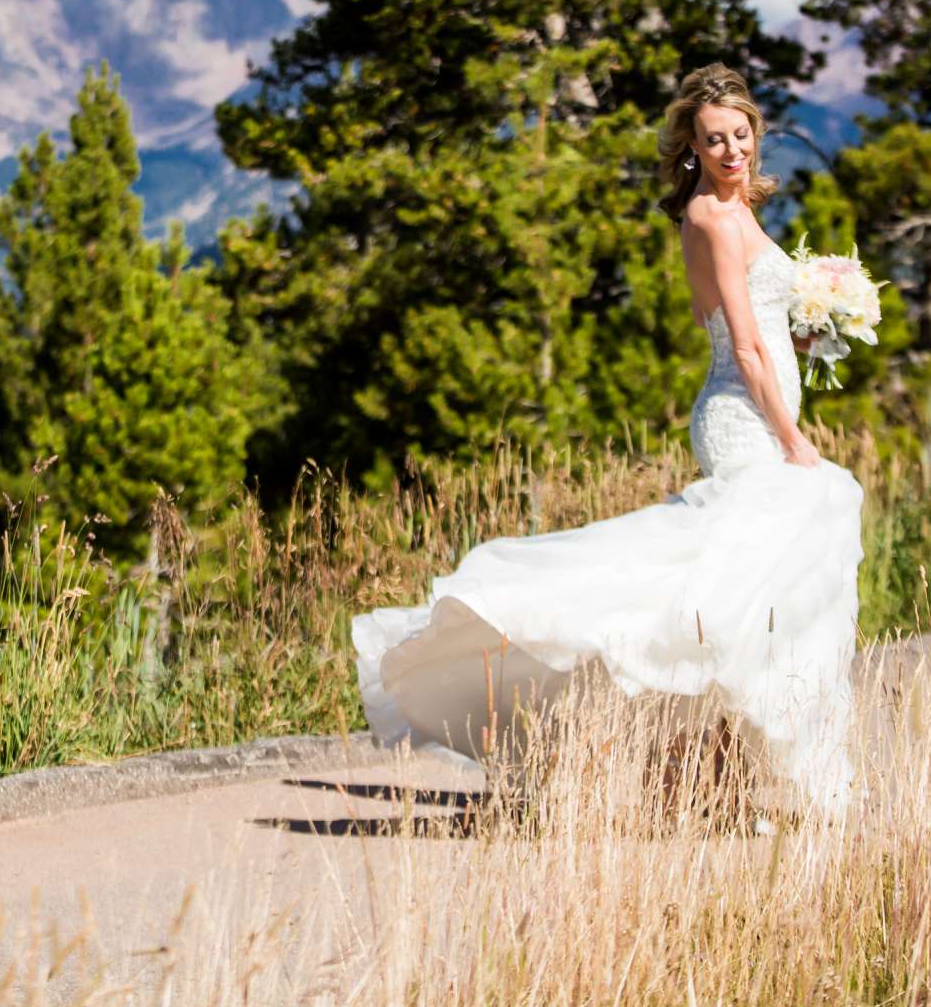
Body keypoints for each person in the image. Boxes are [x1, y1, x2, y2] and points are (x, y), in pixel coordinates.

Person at [350, 63, 863, 819]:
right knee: (735, 577)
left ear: (756, 134)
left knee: (768, 588)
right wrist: (794, 438)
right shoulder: (709, 219)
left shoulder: (742, 209)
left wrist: (815, 324)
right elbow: (744, 348)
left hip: (765, 408)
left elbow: (767, 331)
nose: (730, 151)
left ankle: (734, 768)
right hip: (742, 418)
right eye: (713, 140)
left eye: (740, 136)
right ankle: (549, 641)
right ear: (690, 147)